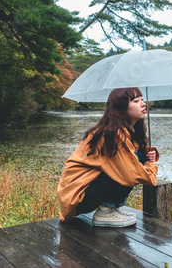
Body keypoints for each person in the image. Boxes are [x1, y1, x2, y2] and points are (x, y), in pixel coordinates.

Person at [57, 87, 159, 227]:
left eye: (142, 100)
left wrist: (147, 155)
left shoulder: (122, 131)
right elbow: (135, 175)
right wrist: (151, 165)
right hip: (78, 197)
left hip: (86, 192)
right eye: (136, 101)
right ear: (121, 107)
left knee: (138, 156)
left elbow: (134, 154)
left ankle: (111, 208)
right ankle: (105, 212)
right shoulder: (113, 135)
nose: (143, 104)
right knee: (128, 166)